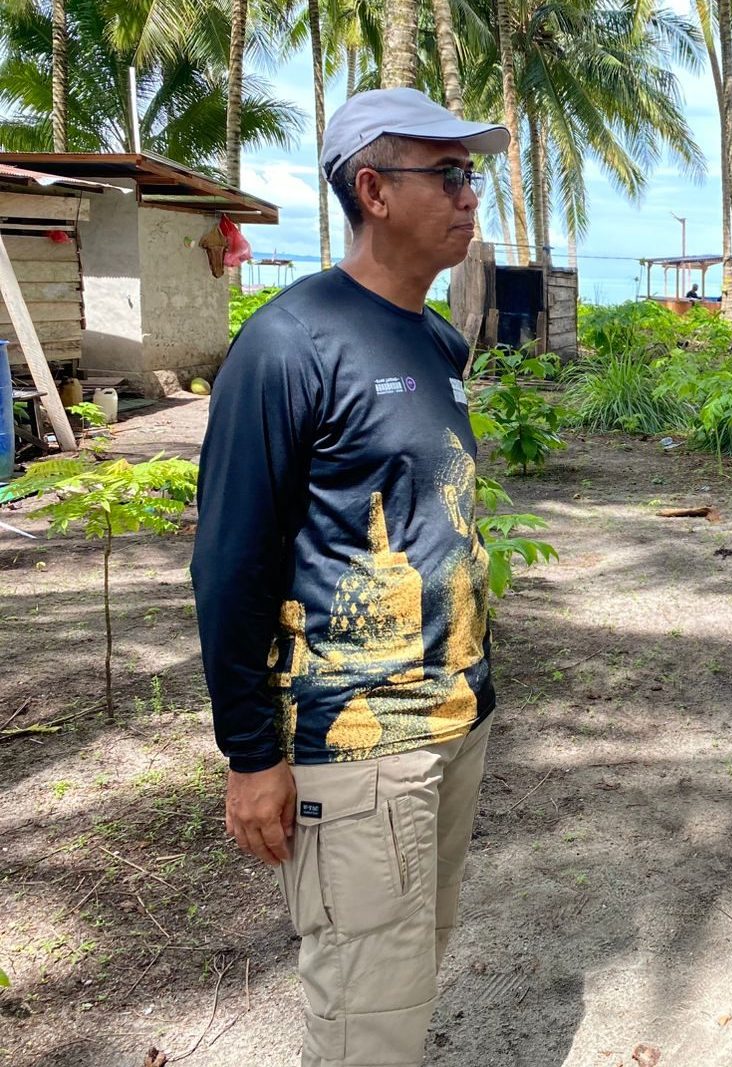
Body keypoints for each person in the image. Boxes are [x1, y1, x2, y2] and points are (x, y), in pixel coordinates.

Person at [191, 88, 509, 1067]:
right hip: (357, 745)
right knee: (365, 1012)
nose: (470, 196)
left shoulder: (436, 340)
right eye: (447, 174)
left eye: (472, 174)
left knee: (410, 970)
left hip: (454, 722)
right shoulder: (290, 342)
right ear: (372, 189)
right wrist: (252, 756)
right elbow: (229, 561)